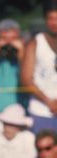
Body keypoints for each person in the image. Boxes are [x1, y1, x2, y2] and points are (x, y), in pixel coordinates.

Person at [21, 0, 57, 134]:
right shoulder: (35, 43)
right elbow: (26, 79)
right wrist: (49, 102)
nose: (54, 23)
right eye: (51, 18)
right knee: (44, 152)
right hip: (41, 111)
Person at [0, 19, 27, 132]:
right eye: (4, 39)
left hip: (18, 118)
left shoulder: (25, 59)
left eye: (13, 39)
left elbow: (28, 77)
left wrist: (22, 53)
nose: (9, 44)